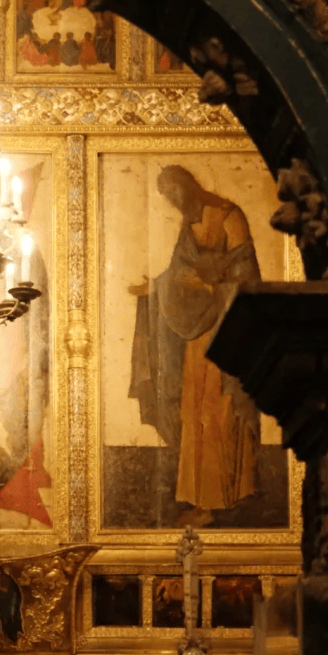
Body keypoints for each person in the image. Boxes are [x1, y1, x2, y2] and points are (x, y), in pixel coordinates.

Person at [128, 165, 261, 520]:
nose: (173, 201)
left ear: (188, 186)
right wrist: (155, 288)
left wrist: (210, 284)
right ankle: (200, 499)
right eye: (167, 196)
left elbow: (246, 275)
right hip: (198, 333)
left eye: (174, 191)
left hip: (226, 327)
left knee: (220, 409)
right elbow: (179, 272)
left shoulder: (229, 216)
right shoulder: (189, 226)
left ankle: (224, 498)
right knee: (194, 410)